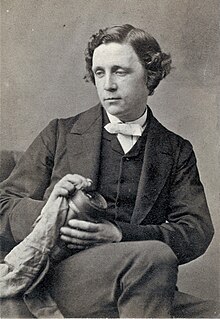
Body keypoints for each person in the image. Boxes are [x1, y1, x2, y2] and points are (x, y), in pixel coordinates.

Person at [0, 24, 218, 318]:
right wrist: (48, 212)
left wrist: (120, 235)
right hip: (59, 279)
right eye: (100, 72)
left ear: (149, 76)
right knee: (155, 254)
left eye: (120, 71)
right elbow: (3, 207)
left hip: (142, 282)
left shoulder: (176, 149)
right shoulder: (60, 133)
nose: (107, 85)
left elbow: (195, 231)